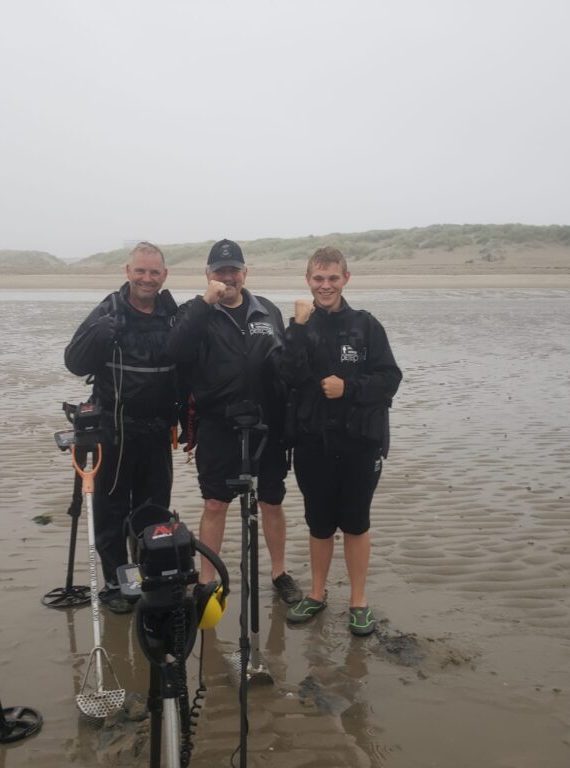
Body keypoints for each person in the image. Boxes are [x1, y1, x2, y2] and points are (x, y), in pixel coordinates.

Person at [165, 239, 303, 605]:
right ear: (208, 275)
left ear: (245, 273)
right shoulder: (194, 313)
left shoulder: (266, 311)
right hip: (217, 425)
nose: (228, 277)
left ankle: (279, 572)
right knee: (215, 503)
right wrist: (204, 304)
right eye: (220, 271)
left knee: (271, 502)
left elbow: (288, 364)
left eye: (234, 270)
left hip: (266, 427)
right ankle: (207, 581)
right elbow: (175, 350)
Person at [282, 246, 401, 636]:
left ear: (346, 279)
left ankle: (358, 601)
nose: (326, 285)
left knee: (355, 522)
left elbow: (389, 380)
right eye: (319, 278)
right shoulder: (300, 326)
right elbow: (287, 376)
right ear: (308, 281)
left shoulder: (366, 326)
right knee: (318, 523)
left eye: (333, 278)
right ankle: (316, 594)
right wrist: (298, 328)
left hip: (359, 444)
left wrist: (348, 387)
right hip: (312, 444)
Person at [64, 242, 179, 614]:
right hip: (114, 433)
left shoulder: (172, 313)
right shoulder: (108, 311)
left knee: (154, 511)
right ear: (128, 271)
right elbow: (74, 363)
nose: (147, 279)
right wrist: (102, 333)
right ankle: (116, 581)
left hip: (159, 432)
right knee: (111, 513)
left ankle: (151, 573)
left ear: (164, 276)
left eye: (154, 272)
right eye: (140, 271)